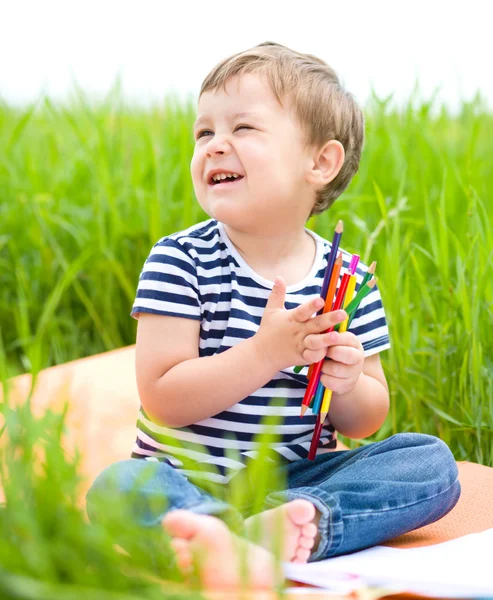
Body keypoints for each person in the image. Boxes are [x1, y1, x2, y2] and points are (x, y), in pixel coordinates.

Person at [86, 41, 461, 591]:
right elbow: (163, 399)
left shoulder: (348, 279)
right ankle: (218, 531)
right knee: (120, 485)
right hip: (185, 474)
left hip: (298, 479)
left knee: (429, 464)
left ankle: (293, 525)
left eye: (243, 128)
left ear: (320, 162)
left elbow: (366, 421)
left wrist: (350, 380)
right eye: (204, 132)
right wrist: (265, 353)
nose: (215, 146)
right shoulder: (180, 259)